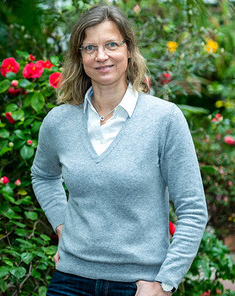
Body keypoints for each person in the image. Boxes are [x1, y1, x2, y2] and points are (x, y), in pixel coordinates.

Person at [31, 5, 207, 296]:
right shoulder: (59, 122)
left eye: (111, 44)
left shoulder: (164, 119)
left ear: (128, 49)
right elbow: (43, 176)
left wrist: (165, 284)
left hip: (139, 285)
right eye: (90, 47)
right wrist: (63, 228)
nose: (101, 56)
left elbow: (193, 208)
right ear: (80, 57)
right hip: (70, 281)